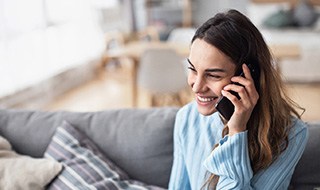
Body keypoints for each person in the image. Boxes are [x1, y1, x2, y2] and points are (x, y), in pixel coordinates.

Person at [168, 9, 308, 190]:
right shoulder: (186, 117)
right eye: (193, 69)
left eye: (213, 75)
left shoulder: (292, 134)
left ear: (248, 77)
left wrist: (236, 132)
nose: (196, 86)